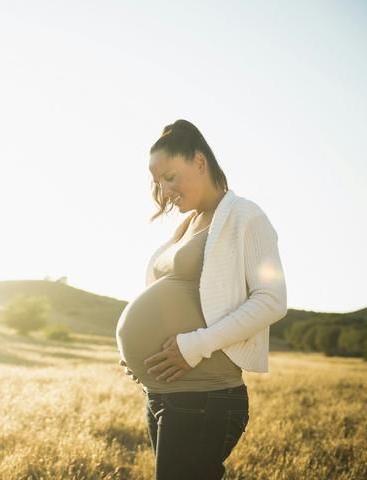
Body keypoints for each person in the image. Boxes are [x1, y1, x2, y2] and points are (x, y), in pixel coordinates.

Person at [115, 119, 287, 480]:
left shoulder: (245, 216)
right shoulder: (189, 224)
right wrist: (138, 356)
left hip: (205, 398)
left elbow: (272, 300)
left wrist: (194, 345)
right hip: (163, 393)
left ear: (198, 161)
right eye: (157, 181)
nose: (163, 190)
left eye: (170, 177)